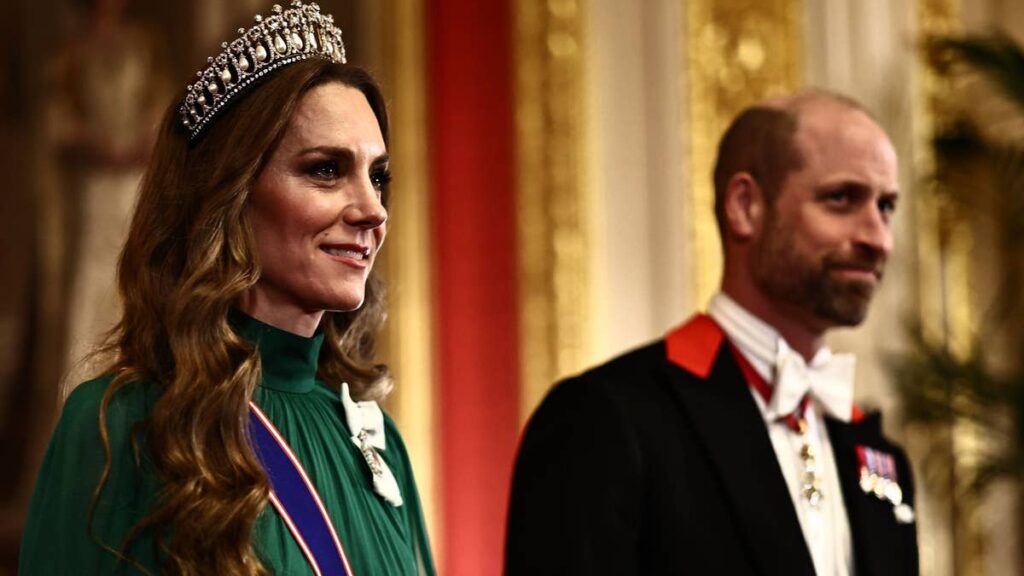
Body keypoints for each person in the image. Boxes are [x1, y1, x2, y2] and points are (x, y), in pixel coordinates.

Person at [19, 2, 435, 575]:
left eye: (378, 176)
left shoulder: (376, 443)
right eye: (326, 169)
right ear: (230, 191)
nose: (373, 210)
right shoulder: (122, 427)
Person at [505, 91, 919, 575]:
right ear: (745, 206)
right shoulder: (604, 420)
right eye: (841, 199)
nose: (878, 238)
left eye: (886, 207)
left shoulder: (879, 456)